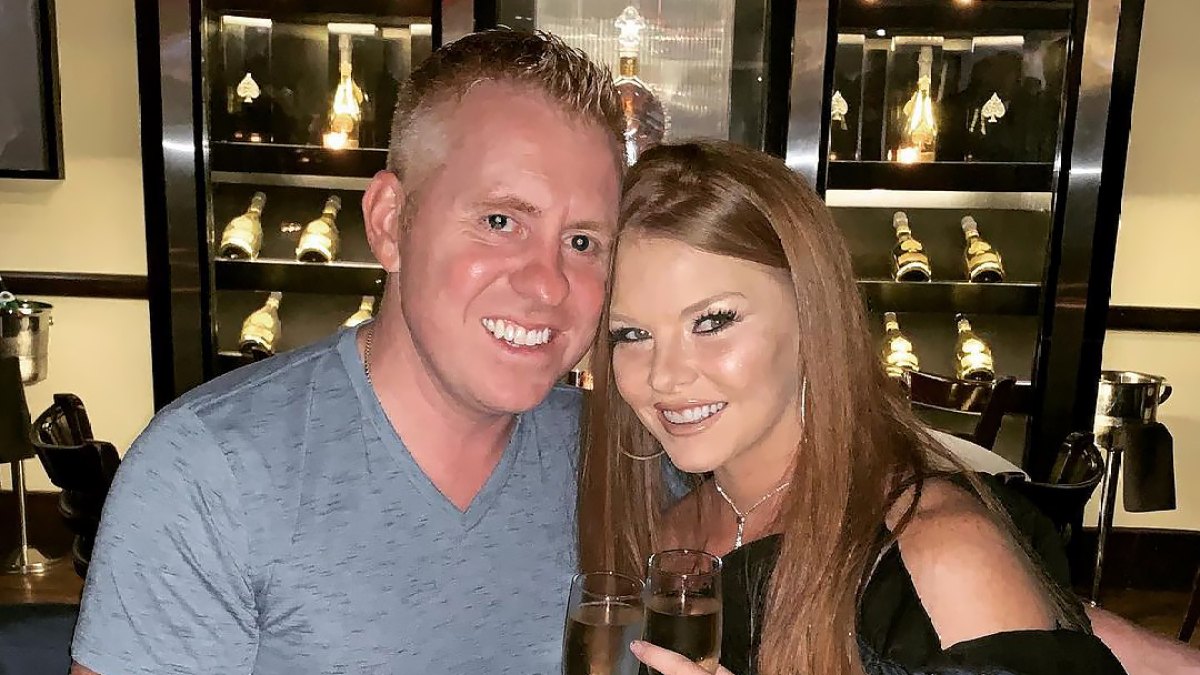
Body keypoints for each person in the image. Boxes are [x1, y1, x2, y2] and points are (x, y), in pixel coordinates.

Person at [70, 29, 625, 674]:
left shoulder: (614, 462)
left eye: (583, 241)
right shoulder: (211, 471)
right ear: (390, 222)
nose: (548, 282)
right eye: (500, 222)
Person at [576, 139, 1126, 674]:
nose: (665, 376)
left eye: (713, 322)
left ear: (814, 317)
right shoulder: (664, 534)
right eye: (631, 334)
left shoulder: (940, 553)